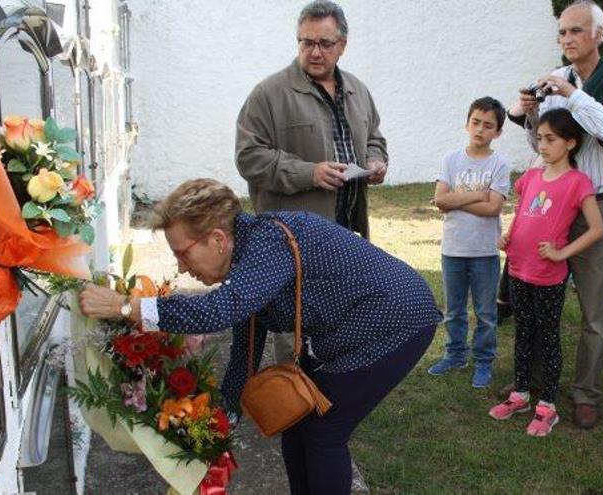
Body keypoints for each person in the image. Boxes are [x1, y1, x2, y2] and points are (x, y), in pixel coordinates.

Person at [78, 179, 441, 494]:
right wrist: (225, 417)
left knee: (324, 431)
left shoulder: (267, 241)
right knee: (297, 424)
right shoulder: (248, 261)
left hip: (397, 321)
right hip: (362, 324)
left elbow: (218, 311)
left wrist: (128, 307)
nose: (181, 267)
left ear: (218, 240)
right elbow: (246, 346)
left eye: (183, 254)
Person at [507, 0, 603, 428]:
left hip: (596, 206)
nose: (567, 39)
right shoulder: (559, 79)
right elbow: (543, 147)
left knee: (594, 311)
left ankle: (585, 392)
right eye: (562, 33)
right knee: (535, 299)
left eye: (576, 31)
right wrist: (533, 115)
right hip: (550, 206)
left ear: (599, 34)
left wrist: (573, 96)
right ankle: (531, 382)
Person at [235, 0, 388, 366]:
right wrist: (310, 172)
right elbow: (248, 158)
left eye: (325, 43)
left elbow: (375, 137)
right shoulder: (268, 94)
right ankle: (294, 408)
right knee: (295, 327)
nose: (315, 52)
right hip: (293, 240)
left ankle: (331, 398)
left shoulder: (358, 91)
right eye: (306, 42)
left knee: (340, 318)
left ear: (343, 45)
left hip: (347, 233)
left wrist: (376, 161)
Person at [488, 109, 602, 437]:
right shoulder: (533, 176)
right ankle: (521, 393)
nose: (543, 145)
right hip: (519, 268)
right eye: (539, 138)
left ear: (570, 142)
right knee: (523, 331)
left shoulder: (578, 182)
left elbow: (595, 229)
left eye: (550, 139)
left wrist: (561, 253)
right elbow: (524, 212)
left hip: (548, 274)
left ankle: (547, 405)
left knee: (548, 337)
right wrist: (508, 236)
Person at [427, 97, 511, 389]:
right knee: (454, 310)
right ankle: (455, 354)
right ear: (467, 124)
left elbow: (493, 209)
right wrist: (478, 195)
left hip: (484, 251)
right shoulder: (451, 159)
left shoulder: (499, 164)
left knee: (486, 313)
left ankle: (484, 360)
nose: (480, 129)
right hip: (453, 248)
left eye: (488, 126)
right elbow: (440, 200)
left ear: (497, 132)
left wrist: (456, 200)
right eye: (475, 122)